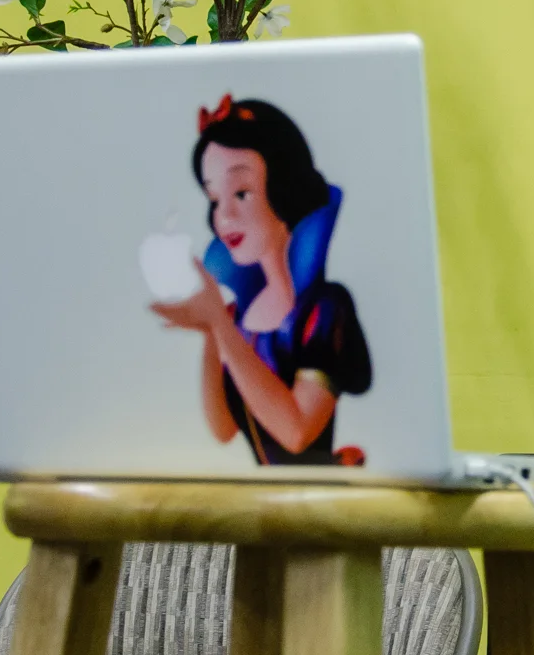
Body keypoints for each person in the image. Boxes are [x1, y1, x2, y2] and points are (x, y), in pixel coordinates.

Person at [151, 95, 373, 465]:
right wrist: (211, 332)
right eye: (214, 199)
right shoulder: (239, 315)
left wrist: (220, 325)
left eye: (241, 193)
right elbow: (223, 429)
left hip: (319, 496)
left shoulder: (325, 310)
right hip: (262, 498)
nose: (224, 215)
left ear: (284, 189)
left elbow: (296, 433)